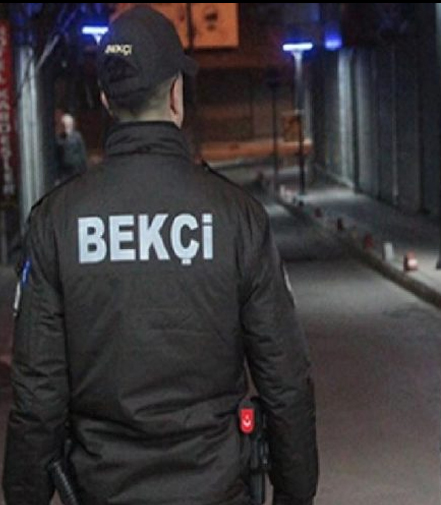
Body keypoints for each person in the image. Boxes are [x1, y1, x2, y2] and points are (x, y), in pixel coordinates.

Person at [3, 6, 318, 505]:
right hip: (218, 490)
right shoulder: (236, 217)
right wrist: (295, 495)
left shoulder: (56, 223)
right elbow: (286, 382)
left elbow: (37, 398)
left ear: (106, 99)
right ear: (176, 94)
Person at [56, 112, 88, 182]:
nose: (66, 126)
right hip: (64, 170)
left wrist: (84, 169)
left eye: (68, 124)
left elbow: (82, 151)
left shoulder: (77, 136)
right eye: (64, 124)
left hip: (75, 169)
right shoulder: (59, 137)